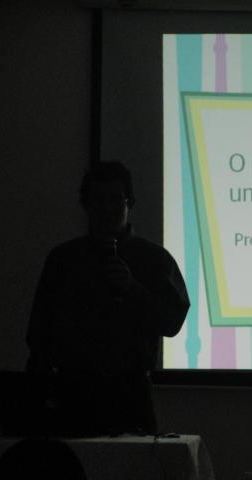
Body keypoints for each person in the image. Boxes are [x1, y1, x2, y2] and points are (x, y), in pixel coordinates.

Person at [25, 161, 189, 435]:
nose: (107, 208)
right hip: (70, 395)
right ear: (86, 205)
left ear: (129, 203)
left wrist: (132, 289)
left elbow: (172, 322)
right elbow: (39, 333)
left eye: (115, 199)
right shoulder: (64, 259)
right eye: (98, 200)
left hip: (130, 395)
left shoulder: (155, 259)